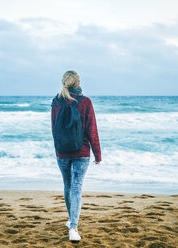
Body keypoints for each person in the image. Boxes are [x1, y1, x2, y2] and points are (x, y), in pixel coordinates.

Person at [51, 70, 101, 242]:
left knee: (68, 186)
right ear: (78, 83)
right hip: (82, 151)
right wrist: (97, 153)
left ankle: (71, 220)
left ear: (64, 82)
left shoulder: (56, 102)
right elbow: (91, 129)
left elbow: (53, 129)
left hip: (62, 152)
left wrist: (58, 149)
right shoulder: (85, 102)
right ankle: (73, 227)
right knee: (77, 188)